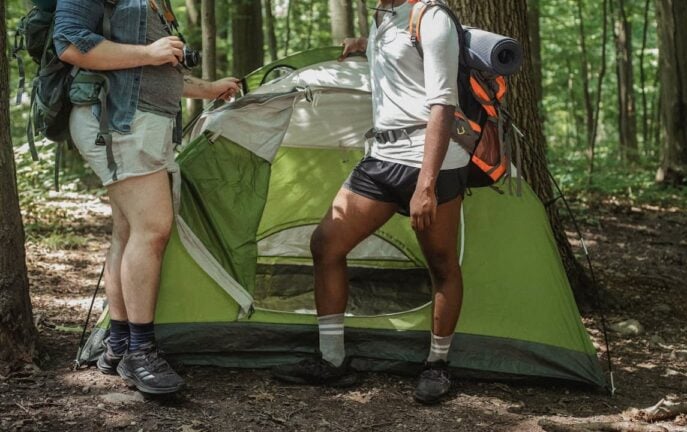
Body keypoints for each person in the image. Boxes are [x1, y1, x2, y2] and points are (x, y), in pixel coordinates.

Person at [273, 0, 467, 405]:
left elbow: (444, 105)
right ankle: (332, 360)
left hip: (430, 161)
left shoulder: (431, 18)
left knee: (442, 264)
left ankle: (437, 364)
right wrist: (367, 43)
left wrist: (427, 186)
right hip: (381, 157)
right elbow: (400, 66)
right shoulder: (384, 17)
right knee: (326, 244)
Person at [54, 0, 240, 394]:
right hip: (118, 121)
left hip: (140, 123)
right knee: (153, 228)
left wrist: (207, 88)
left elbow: (156, 71)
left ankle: (119, 343)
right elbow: (68, 43)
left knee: (128, 231)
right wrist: (148, 51)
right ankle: (140, 352)